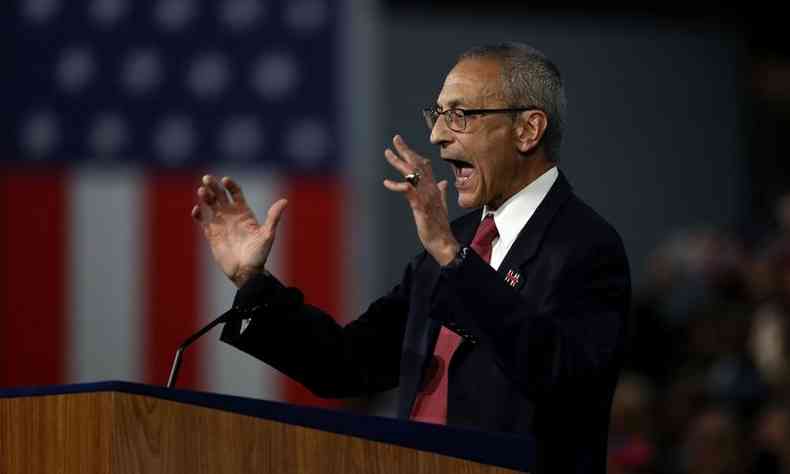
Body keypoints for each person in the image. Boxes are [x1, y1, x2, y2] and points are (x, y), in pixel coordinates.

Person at [191, 42, 631, 473]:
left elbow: (561, 380)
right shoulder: (453, 244)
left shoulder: (585, 247)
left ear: (527, 130)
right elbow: (347, 365)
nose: (437, 135)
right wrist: (252, 278)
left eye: (460, 115)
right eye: (437, 115)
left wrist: (454, 259)